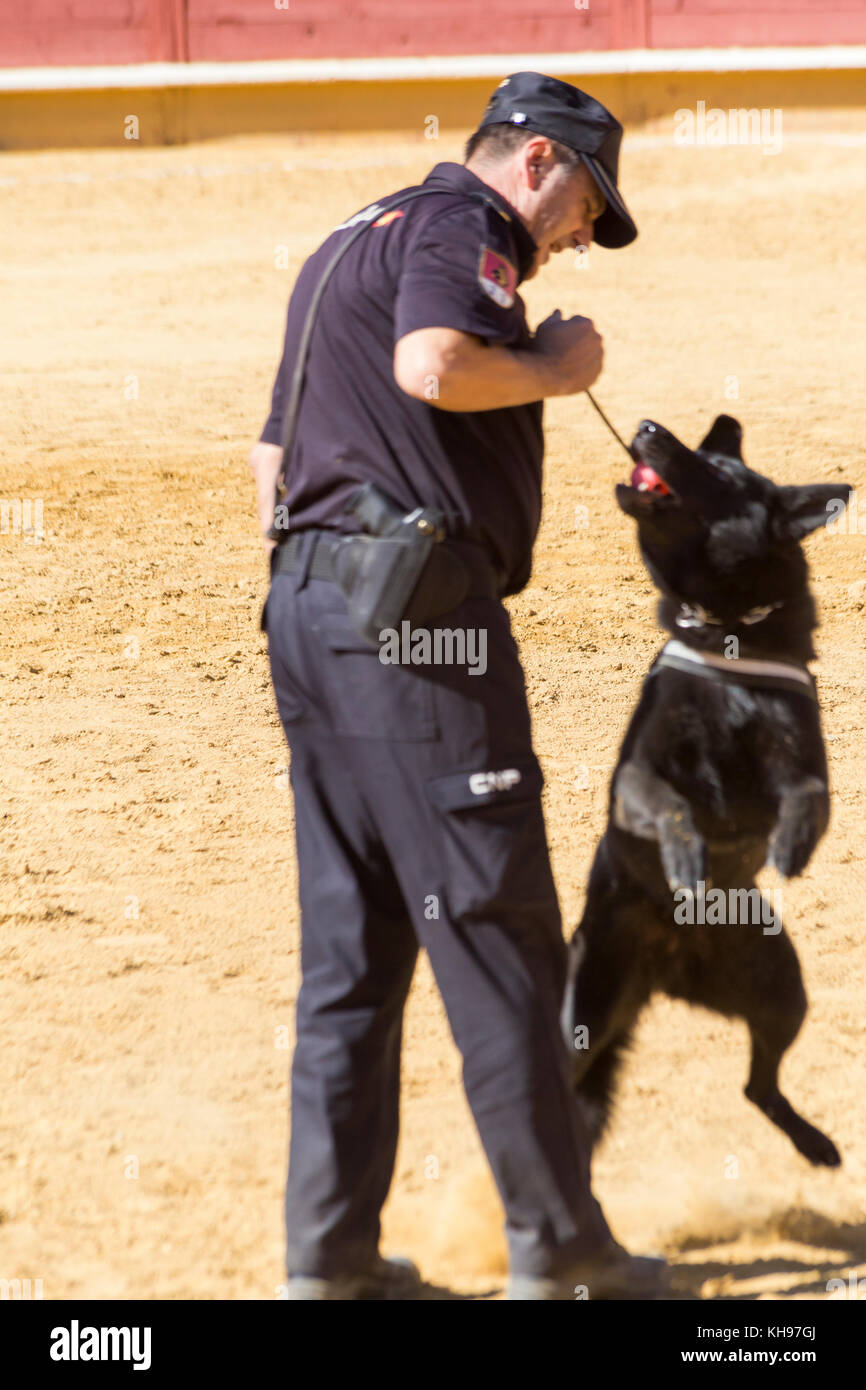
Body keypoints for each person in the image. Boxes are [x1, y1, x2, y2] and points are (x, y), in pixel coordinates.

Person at [249, 71, 671, 1300]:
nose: (582, 234)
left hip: (308, 612)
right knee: (496, 930)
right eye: (586, 202)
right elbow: (437, 363)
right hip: (415, 626)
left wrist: (328, 596)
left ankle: (325, 1256)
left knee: (354, 954)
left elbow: (270, 454)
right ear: (534, 159)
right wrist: (550, 366)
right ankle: (560, 1247)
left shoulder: (348, 240)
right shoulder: (460, 227)